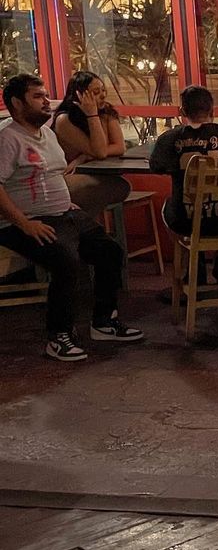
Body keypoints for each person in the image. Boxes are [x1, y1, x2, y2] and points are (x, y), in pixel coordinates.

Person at [0, 73, 143, 362]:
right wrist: (24, 223)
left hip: (64, 212)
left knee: (110, 250)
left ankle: (104, 322)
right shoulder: (8, 139)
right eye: (37, 97)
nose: (46, 101)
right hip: (27, 221)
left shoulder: (48, 134)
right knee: (65, 261)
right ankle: (58, 337)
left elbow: (55, 174)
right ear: (17, 103)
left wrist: (67, 202)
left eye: (45, 95)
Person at [149, 84, 218, 285]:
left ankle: (194, 266)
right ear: (212, 110)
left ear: (182, 112)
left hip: (186, 219)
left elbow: (156, 166)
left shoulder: (170, 139)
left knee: (168, 207)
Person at [52, 70, 131, 221]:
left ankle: (85, 226)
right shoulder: (65, 119)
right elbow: (100, 152)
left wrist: (84, 156)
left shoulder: (106, 112)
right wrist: (92, 115)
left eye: (103, 90)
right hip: (65, 178)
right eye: (96, 92)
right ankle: (82, 226)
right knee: (119, 186)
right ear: (80, 95)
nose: (102, 95)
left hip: (91, 172)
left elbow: (119, 147)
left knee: (121, 186)